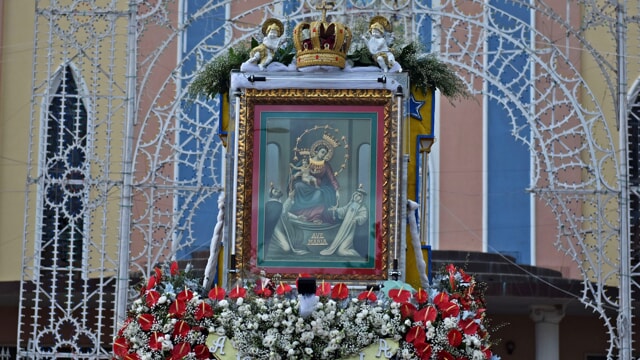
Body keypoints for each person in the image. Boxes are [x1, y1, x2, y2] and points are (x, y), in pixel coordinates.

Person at [287, 142, 340, 224]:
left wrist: (337, 190)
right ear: (316, 152)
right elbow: (298, 171)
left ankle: (315, 216)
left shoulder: (325, 165)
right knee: (298, 185)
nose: (323, 155)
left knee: (319, 194)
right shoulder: (306, 161)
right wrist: (293, 176)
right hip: (305, 185)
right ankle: (300, 214)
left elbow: (332, 178)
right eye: (322, 152)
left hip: (317, 187)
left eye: (325, 154)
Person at [320, 185, 368, 256]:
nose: (356, 196)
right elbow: (343, 210)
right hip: (344, 228)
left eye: (359, 195)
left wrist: (357, 218)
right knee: (337, 249)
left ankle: (358, 256)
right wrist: (335, 209)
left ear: (361, 198)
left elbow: (364, 216)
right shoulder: (351, 204)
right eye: (355, 194)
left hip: (350, 230)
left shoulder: (362, 207)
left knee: (341, 251)